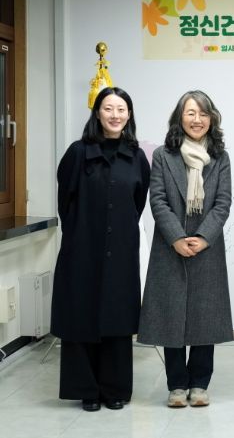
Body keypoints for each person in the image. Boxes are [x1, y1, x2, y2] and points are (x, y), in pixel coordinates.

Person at [51, 87, 150, 412]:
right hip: (82, 247)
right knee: (81, 314)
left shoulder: (136, 157)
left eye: (121, 109)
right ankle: (87, 390)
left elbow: (137, 203)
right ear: (97, 113)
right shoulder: (78, 152)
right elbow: (65, 201)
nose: (115, 115)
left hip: (121, 249)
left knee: (116, 316)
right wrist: (80, 234)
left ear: (129, 115)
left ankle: (115, 389)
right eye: (108, 108)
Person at [138, 90, 233, 408]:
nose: (197, 119)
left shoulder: (220, 157)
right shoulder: (163, 156)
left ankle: (200, 384)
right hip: (170, 246)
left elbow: (223, 202)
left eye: (203, 114)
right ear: (180, 117)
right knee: (171, 314)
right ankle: (177, 385)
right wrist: (176, 237)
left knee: (206, 316)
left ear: (212, 119)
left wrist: (204, 236)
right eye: (191, 113)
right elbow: (158, 200)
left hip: (207, 247)